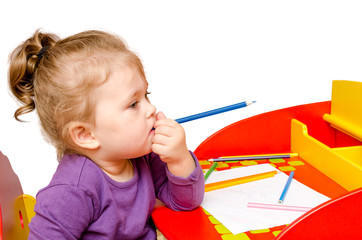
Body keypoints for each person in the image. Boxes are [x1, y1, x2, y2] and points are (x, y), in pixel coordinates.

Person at [8, 29, 205, 239]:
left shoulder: (141, 154)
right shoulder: (72, 191)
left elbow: (186, 203)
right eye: (133, 104)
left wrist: (179, 159)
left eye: (146, 95)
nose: (151, 109)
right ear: (86, 135)